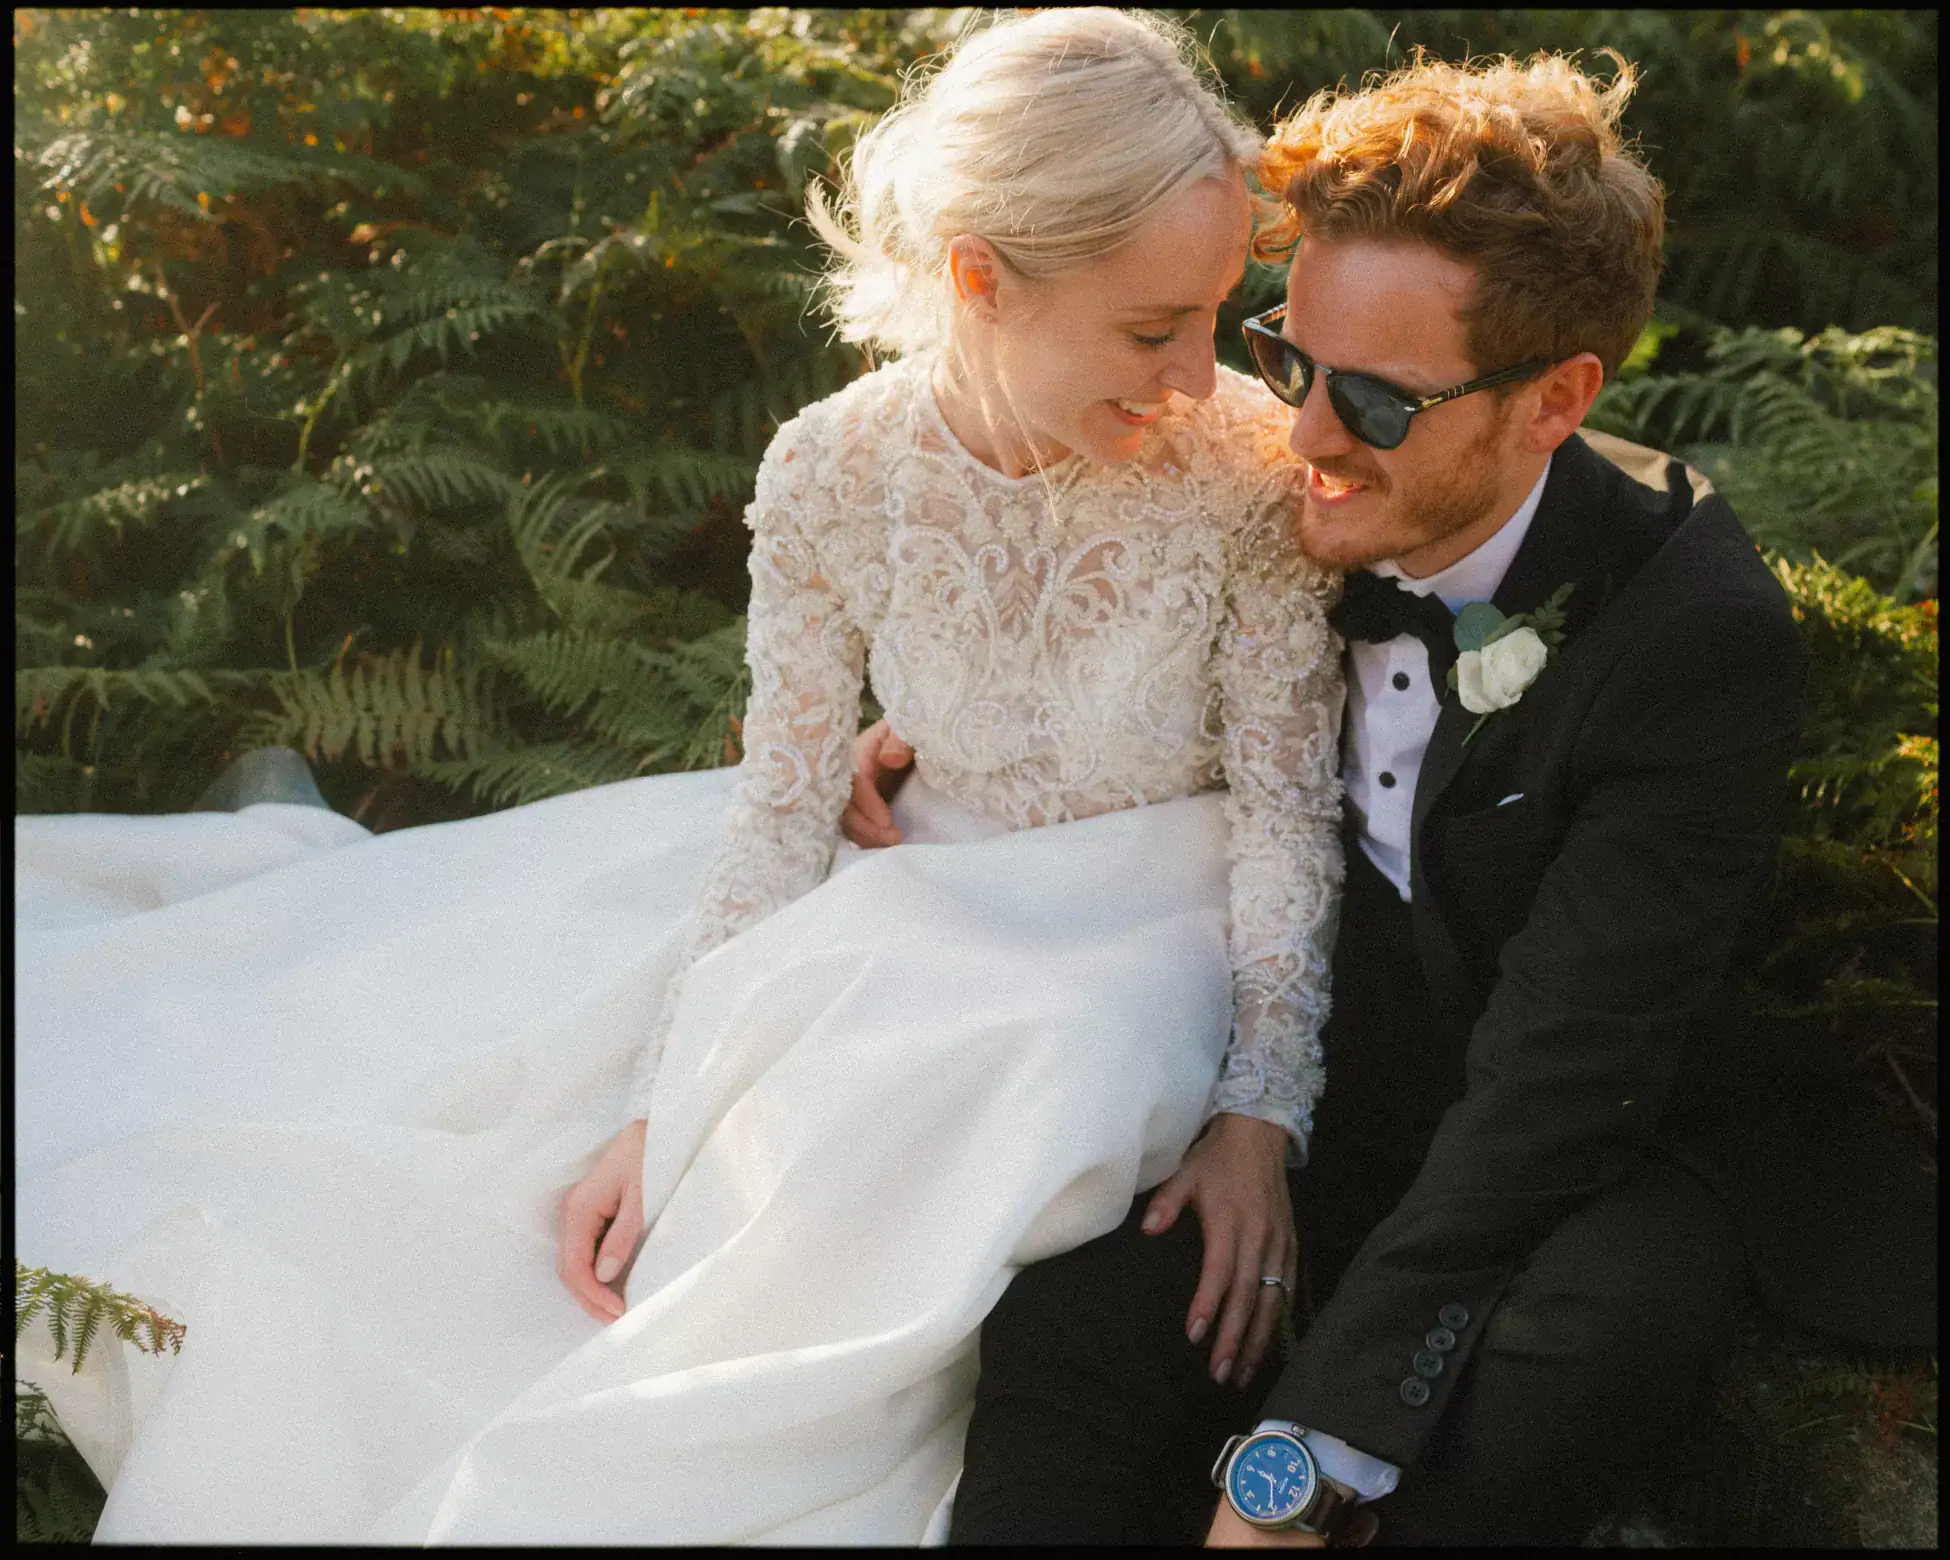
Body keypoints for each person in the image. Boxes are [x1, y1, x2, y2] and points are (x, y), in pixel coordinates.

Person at [14, 10, 1347, 1544]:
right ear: (980, 276)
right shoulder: (834, 470)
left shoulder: (1244, 477)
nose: (1201, 376)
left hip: (1141, 930)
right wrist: (664, 1106)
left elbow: (1284, 808)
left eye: (1217, 319)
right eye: (1147, 329)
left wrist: (1260, 1114)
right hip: (908, 881)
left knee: (995, 1073)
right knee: (585, 1147)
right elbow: (781, 811)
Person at [840, 48, 1936, 1547]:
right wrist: (916, 741)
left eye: (1367, 395)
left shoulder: (1688, 634)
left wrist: (1305, 1452)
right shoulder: (1249, 480)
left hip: (1585, 1145)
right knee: (1072, 1338)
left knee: (1577, 1359)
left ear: (1552, 400)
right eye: (1289, 359)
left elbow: (1564, 1078)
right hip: (1305, 1097)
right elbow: (1013, 593)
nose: (1297, 434)